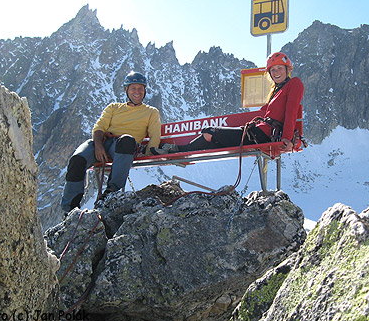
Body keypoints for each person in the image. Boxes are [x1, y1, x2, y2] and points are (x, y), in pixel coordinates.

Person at [151, 52, 304, 155]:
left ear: (287, 69)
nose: (276, 72)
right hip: (257, 132)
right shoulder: (276, 90)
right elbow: (265, 113)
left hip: (261, 135)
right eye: (273, 70)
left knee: (210, 132)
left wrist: (287, 138)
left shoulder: (294, 84)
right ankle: (174, 150)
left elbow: (291, 112)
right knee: (212, 141)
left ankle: (175, 150)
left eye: (279, 68)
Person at [60, 71, 161, 212]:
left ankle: (110, 192)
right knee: (77, 160)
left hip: (125, 146)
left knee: (127, 140)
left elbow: (155, 135)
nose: (137, 92)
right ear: (126, 90)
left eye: (140, 88)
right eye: (133, 88)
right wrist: (98, 146)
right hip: (102, 142)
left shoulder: (151, 112)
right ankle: (69, 208)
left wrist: (149, 152)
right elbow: (99, 127)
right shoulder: (113, 107)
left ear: (145, 91)